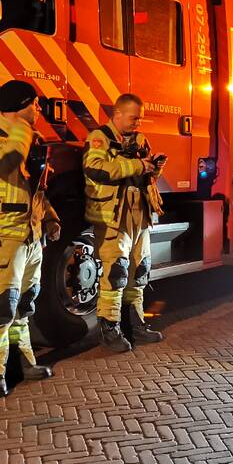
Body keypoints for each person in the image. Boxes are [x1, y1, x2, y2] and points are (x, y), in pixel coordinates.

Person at [0, 80, 61, 398]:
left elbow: (32, 188)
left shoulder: (27, 141)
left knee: (23, 306)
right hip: (2, 240)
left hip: (29, 237)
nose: (38, 109)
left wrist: (49, 218)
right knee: (0, 308)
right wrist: (22, 130)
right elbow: (5, 164)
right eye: (34, 103)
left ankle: (23, 362)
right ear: (20, 105)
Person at [83, 93, 166, 352]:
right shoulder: (99, 138)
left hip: (139, 214)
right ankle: (110, 330)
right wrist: (138, 165)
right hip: (113, 216)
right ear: (117, 114)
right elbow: (96, 169)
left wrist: (155, 167)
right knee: (116, 272)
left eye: (139, 119)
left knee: (139, 270)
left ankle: (137, 326)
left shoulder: (140, 140)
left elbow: (145, 172)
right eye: (133, 118)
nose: (137, 124)